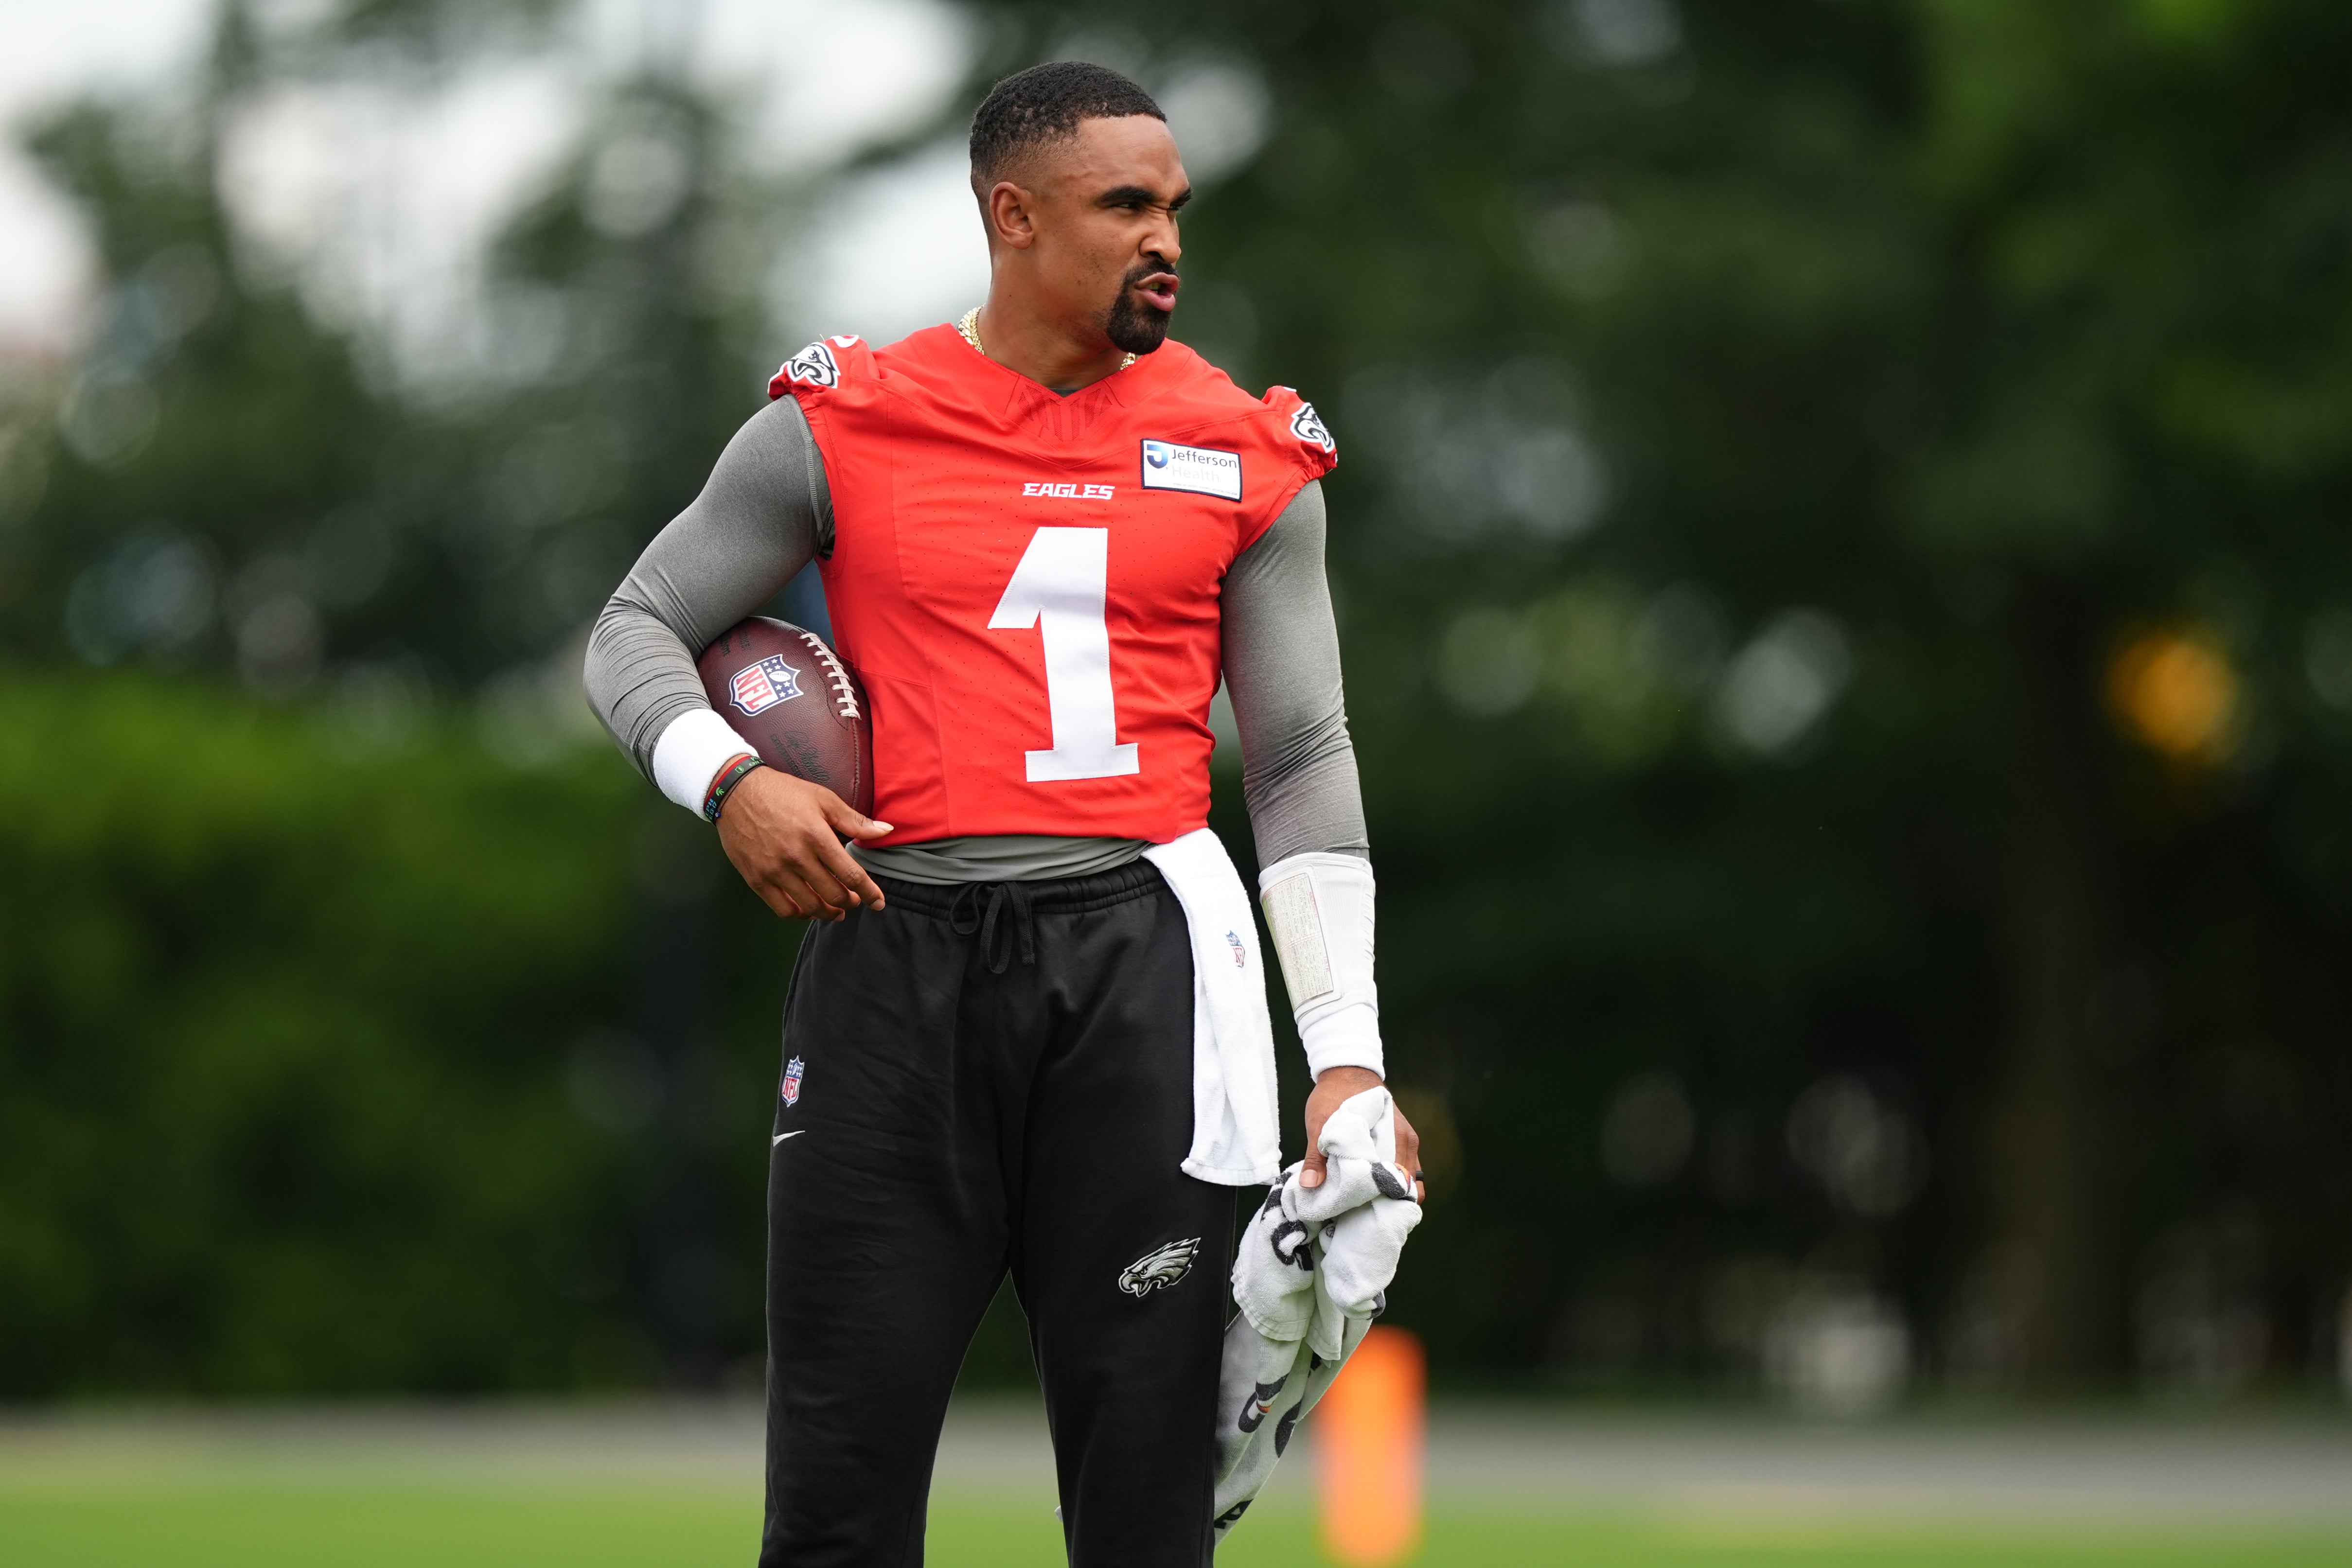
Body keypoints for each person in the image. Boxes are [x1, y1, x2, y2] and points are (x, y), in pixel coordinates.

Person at [584, 59, 1420, 1568]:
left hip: (1143, 976)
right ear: (1013, 216)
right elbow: (635, 627)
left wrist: (1345, 1061)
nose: (1166, 237)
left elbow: (1299, 757)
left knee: (1149, 1506)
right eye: (1126, 206)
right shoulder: (848, 418)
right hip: (890, 958)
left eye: (1175, 206)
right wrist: (729, 779)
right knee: (836, 1505)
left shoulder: (1247, 446)